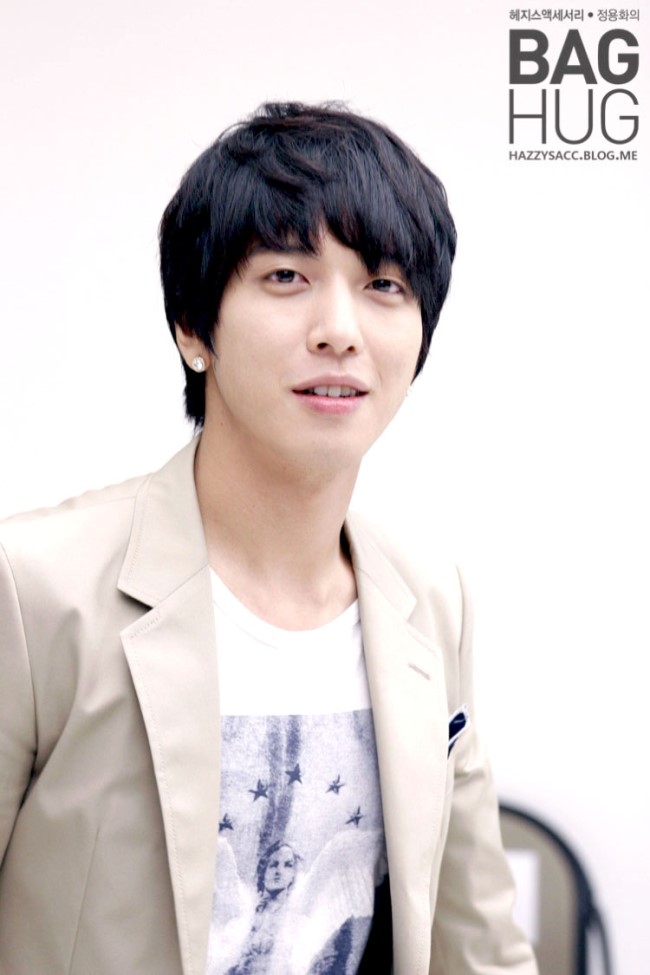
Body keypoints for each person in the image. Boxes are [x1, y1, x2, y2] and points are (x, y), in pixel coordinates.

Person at [0, 102, 538, 974]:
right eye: (287, 275)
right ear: (193, 327)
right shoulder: (34, 589)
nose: (340, 330)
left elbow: (476, 943)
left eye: (384, 285)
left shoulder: (431, 599)